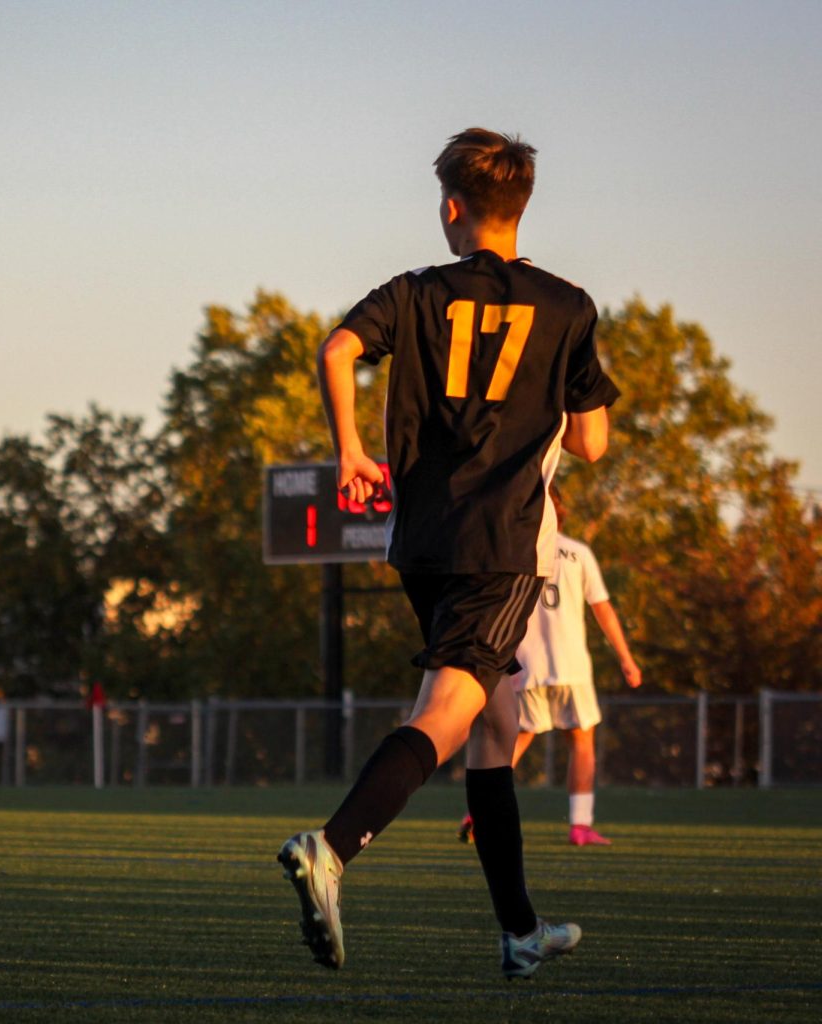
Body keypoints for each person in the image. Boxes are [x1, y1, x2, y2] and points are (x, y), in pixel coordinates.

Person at [277, 128, 619, 979]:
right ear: (522, 207)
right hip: (502, 548)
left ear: (451, 208)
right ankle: (333, 847)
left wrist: (351, 450)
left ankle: (520, 929)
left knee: (495, 729)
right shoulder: (568, 304)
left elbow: (336, 348)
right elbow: (593, 444)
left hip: (422, 543)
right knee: (447, 717)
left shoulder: (415, 292)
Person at [458, 484, 641, 847]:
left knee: (515, 740)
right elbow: (602, 607)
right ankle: (580, 825)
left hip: (526, 667)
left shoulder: (513, 552)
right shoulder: (577, 553)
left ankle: (480, 810)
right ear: (560, 511)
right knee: (582, 740)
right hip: (571, 664)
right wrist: (626, 658)